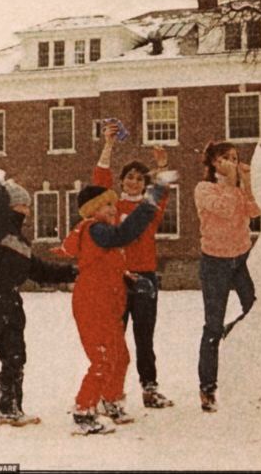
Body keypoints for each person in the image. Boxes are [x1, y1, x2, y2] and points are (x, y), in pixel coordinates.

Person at [55, 173, 175, 435]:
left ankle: (111, 400)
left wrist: (130, 279)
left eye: (112, 204)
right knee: (103, 358)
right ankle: (83, 410)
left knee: (120, 357)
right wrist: (152, 198)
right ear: (92, 210)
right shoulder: (95, 229)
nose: (113, 209)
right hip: (93, 304)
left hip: (108, 303)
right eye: (107, 205)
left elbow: (108, 264)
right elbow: (126, 233)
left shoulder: (103, 233)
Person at [0, 166, 77, 427]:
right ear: (12, 206)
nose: (27, 211)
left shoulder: (21, 244)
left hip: (11, 305)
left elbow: (42, 271)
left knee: (15, 358)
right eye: (23, 205)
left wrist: (74, 272)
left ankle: (10, 409)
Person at [92, 121, 173, 409]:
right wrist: (109, 145)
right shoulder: (111, 205)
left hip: (145, 277)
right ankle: (109, 390)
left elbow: (161, 190)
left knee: (144, 336)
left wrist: (162, 166)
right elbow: (100, 178)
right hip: (116, 278)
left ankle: (149, 388)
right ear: (122, 180)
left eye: (140, 179)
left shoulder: (149, 208)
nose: (133, 182)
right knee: (114, 335)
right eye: (129, 177)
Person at [194, 141, 260, 412]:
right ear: (212, 163)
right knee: (212, 325)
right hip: (214, 262)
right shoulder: (203, 189)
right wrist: (233, 184)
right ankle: (207, 387)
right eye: (225, 158)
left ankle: (231, 332)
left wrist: (248, 181)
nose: (231, 162)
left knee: (257, 311)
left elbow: (254, 211)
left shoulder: (237, 187)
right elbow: (225, 208)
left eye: (234, 157)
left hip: (242, 258)